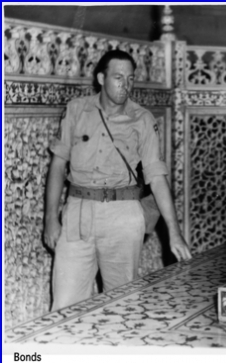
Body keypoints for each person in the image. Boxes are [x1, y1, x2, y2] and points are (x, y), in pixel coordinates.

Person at [44, 50, 192, 311]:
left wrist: (175, 233)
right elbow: (57, 166)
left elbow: (157, 178)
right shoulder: (77, 110)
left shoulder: (143, 119)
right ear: (101, 78)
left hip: (123, 215)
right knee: (65, 307)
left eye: (131, 78)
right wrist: (50, 219)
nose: (126, 85)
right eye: (118, 77)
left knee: (122, 305)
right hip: (78, 212)